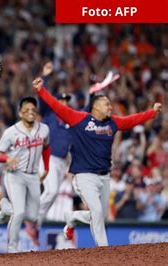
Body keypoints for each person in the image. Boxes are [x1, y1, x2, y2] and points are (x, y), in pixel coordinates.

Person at [32, 77, 163, 246]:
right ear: (95, 106)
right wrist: (41, 90)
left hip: (104, 176)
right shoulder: (78, 118)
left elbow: (132, 120)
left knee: (100, 214)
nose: (110, 106)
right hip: (84, 176)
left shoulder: (113, 122)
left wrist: (152, 112)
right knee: (97, 213)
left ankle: (72, 218)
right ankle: (104, 251)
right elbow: (56, 107)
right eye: (106, 103)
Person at [0, 96, 50, 253]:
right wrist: (7, 158)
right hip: (15, 174)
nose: (30, 112)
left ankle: (6, 210)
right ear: (20, 113)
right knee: (19, 212)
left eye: (33, 109)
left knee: (32, 216)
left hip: (33, 176)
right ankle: (12, 249)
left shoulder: (44, 129)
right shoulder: (11, 132)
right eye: (26, 110)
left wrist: (46, 167)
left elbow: (46, 147)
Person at [36, 62, 72, 230]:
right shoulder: (49, 113)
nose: (64, 103)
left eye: (66, 101)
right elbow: (42, 97)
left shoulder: (70, 120)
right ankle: (34, 220)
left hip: (61, 162)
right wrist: (44, 75)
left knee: (53, 192)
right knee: (50, 191)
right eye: (61, 100)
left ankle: (36, 223)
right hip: (46, 157)